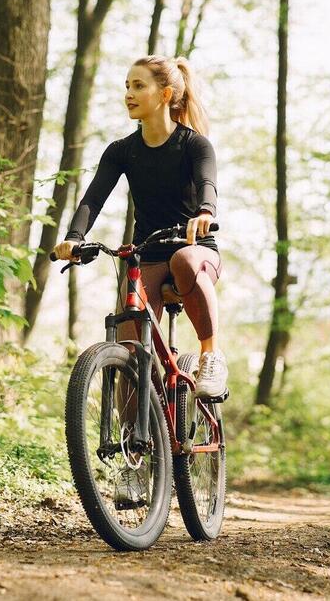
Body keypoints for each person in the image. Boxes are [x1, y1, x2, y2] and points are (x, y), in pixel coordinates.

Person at [53, 55, 228, 404]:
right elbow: (93, 200)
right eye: (127, 86)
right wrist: (74, 238)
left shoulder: (194, 145)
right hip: (147, 254)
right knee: (130, 349)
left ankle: (210, 356)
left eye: (138, 86)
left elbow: (207, 184)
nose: (129, 94)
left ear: (164, 95)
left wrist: (205, 211)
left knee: (184, 261)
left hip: (195, 250)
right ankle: (138, 445)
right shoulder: (122, 151)